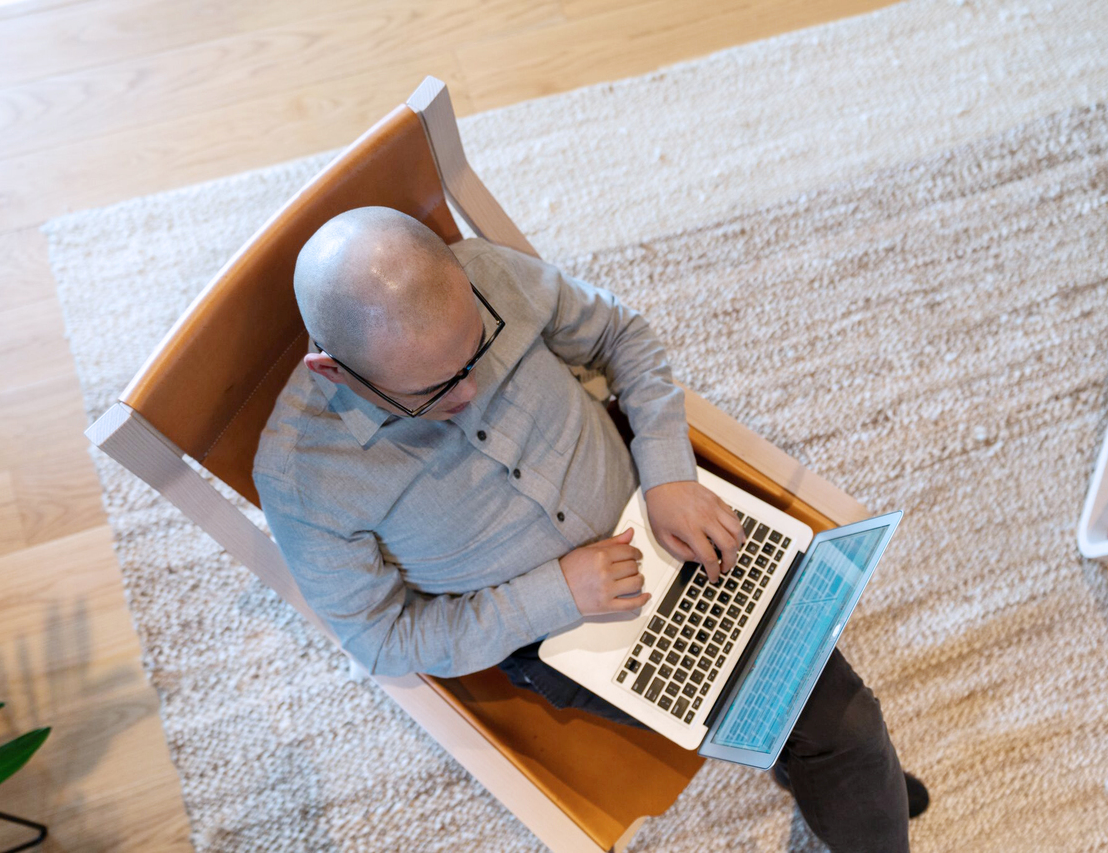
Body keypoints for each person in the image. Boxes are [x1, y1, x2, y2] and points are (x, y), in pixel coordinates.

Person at [253, 206, 928, 851]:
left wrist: (668, 474)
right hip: (564, 634)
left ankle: (848, 785)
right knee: (841, 724)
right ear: (332, 371)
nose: (468, 392)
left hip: (659, 516)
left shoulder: (488, 274)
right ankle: (855, 784)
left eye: (477, 351)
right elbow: (380, 639)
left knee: (825, 716)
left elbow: (620, 335)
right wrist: (556, 594)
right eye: (430, 393)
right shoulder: (301, 478)